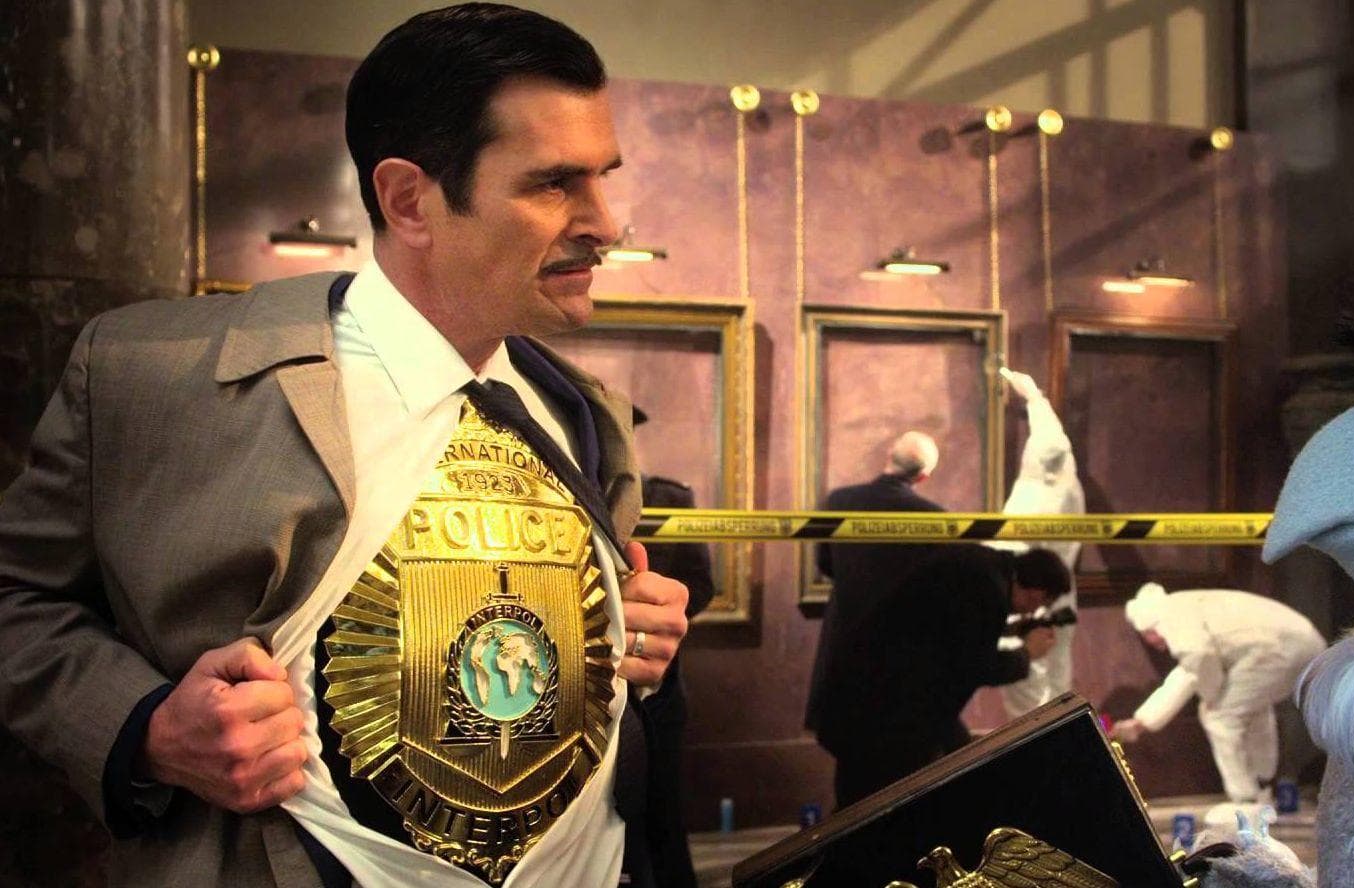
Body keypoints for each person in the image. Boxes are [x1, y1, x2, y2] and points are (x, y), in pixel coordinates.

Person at [0, 5, 690, 887]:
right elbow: (16, 595)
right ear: (409, 200)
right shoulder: (156, 375)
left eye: (604, 177)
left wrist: (625, 642)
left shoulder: (582, 412)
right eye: (554, 183)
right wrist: (147, 729)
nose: (605, 221)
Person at [815, 546, 1070, 808]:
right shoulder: (989, 588)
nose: (1031, 613)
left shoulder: (986, 568)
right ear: (1038, 593)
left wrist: (1007, 630)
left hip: (870, 700)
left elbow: (945, 635)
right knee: (871, 807)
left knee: (870, 800)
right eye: (1042, 604)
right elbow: (975, 666)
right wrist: (1027, 654)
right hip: (886, 716)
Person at [1111, 582, 1324, 827]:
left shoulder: (1173, 616)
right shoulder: (1187, 605)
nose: (1153, 643)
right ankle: (1263, 786)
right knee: (1251, 709)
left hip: (1279, 648)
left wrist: (1212, 697)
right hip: (1306, 644)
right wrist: (1142, 722)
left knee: (1218, 716)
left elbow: (1199, 656)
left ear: (1148, 627)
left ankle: (1245, 801)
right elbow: (1188, 672)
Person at [804, 430, 945, 749]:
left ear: (889, 455)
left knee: (849, 754)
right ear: (923, 476)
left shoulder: (839, 501)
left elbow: (826, 564)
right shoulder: (934, 518)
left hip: (845, 642)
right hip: (899, 654)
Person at [631, 405, 716, 888]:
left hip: (656, 686)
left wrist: (656, 615)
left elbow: (701, 585)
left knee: (661, 810)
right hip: (579, 683)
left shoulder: (669, 499)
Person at [984, 368, 1086, 719]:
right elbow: (1049, 432)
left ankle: (1043, 743)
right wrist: (1032, 395)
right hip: (1056, 595)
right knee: (1057, 686)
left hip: (1028, 598)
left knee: (1029, 700)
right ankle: (1061, 736)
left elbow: (1007, 550)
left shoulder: (1037, 496)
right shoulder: (1067, 480)